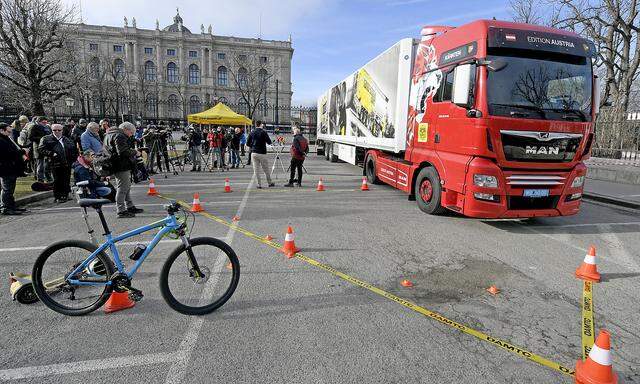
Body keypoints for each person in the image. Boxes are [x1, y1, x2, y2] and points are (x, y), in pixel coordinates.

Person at [104, 122, 144, 218]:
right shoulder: (119, 136)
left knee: (126, 187)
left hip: (117, 164)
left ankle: (129, 206)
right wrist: (135, 152)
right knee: (122, 188)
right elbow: (122, 152)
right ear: (125, 129)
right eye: (131, 133)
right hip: (121, 165)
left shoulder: (110, 134)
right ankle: (121, 210)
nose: (131, 135)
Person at [38, 123, 77, 203]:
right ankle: (58, 196)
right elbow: (41, 149)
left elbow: (72, 148)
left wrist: (73, 159)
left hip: (66, 163)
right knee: (57, 180)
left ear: (62, 131)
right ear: (51, 131)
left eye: (59, 130)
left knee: (66, 179)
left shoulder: (66, 139)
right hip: (54, 163)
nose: (57, 132)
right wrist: (51, 153)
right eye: (54, 130)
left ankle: (65, 194)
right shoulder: (46, 139)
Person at [0, 122, 27, 215]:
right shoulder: (1, 140)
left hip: (11, 167)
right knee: (7, 188)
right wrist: (22, 152)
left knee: (10, 188)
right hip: (5, 168)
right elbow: (8, 153)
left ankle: (11, 206)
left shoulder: (6, 138)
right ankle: (6, 207)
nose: (10, 133)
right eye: (8, 131)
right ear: (1, 130)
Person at [246, 120, 274, 189]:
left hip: (254, 152)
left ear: (255, 125)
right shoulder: (263, 132)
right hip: (262, 153)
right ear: (261, 124)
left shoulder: (252, 132)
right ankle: (269, 182)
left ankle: (259, 184)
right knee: (266, 169)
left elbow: (247, 143)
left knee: (256, 170)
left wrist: (252, 146)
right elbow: (269, 142)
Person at [28, 116, 52, 183]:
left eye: (46, 122)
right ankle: (40, 179)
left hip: (46, 148)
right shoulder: (33, 127)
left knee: (47, 165)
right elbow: (31, 137)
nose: (45, 123)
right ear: (39, 122)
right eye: (43, 122)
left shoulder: (47, 127)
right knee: (40, 164)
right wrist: (42, 139)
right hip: (38, 148)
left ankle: (48, 178)